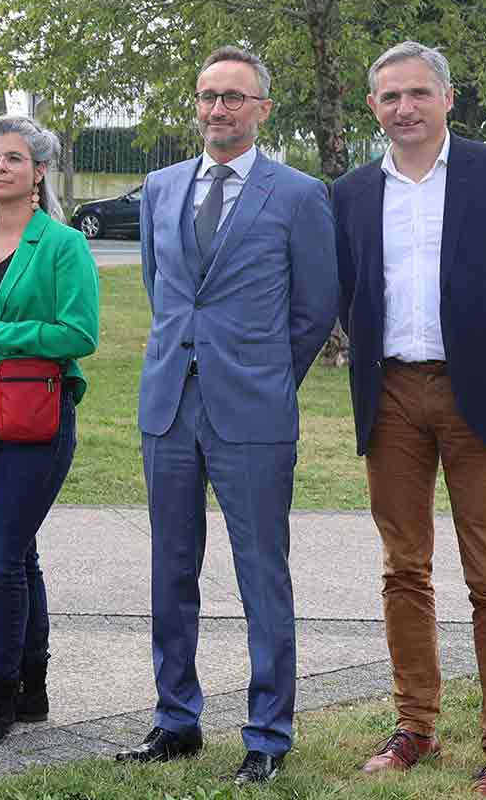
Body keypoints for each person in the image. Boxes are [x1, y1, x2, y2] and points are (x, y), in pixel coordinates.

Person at [331, 42, 486, 798]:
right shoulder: (353, 192)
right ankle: (416, 727)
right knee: (404, 568)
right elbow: (348, 291)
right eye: (390, 96)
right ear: (374, 107)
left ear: (448, 98)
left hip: (479, 399)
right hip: (392, 395)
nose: (404, 107)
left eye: (418, 94)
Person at [120, 46, 337, 785]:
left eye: (235, 98)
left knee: (260, 576)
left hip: (254, 413)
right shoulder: (160, 187)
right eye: (209, 96)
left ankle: (268, 734)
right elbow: (163, 288)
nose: (219, 110)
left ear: (262, 109)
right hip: (170, 407)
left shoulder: (300, 195)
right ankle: (175, 720)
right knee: (169, 570)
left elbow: (313, 309)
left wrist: (266, 375)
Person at [0, 116, 99, 746]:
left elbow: (79, 334)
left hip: (38, 422)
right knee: (20, 553)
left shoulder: (61, 245)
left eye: (12, 157)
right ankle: (32, 685)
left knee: (2, 558)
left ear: (39, 172)